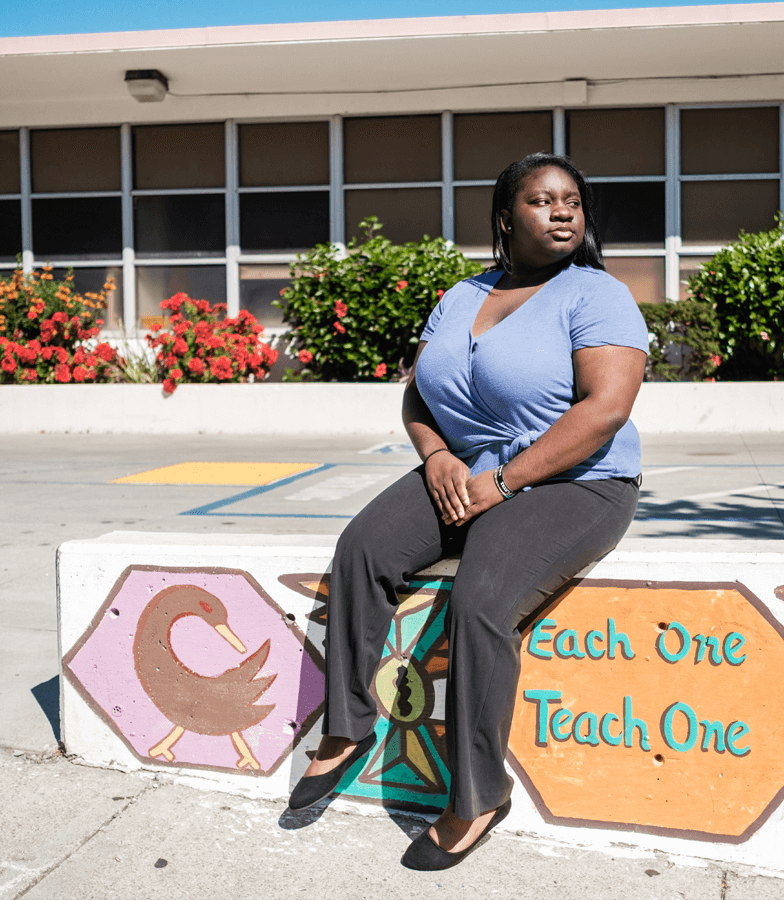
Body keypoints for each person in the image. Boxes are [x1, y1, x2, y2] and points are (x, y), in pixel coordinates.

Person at [287, 152, 648, 871]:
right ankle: (349, 726)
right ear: (506, 216)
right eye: (543, 200)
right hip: (469, 471)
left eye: (572, 200)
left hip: (580, 481)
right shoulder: (461, 295)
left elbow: (606, 410)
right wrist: (437, 457)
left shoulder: (596, 294)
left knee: (482, 598)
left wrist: (508, 483)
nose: (563, 211)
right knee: (363, 548)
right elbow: (420, 394)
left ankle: (479, 793)